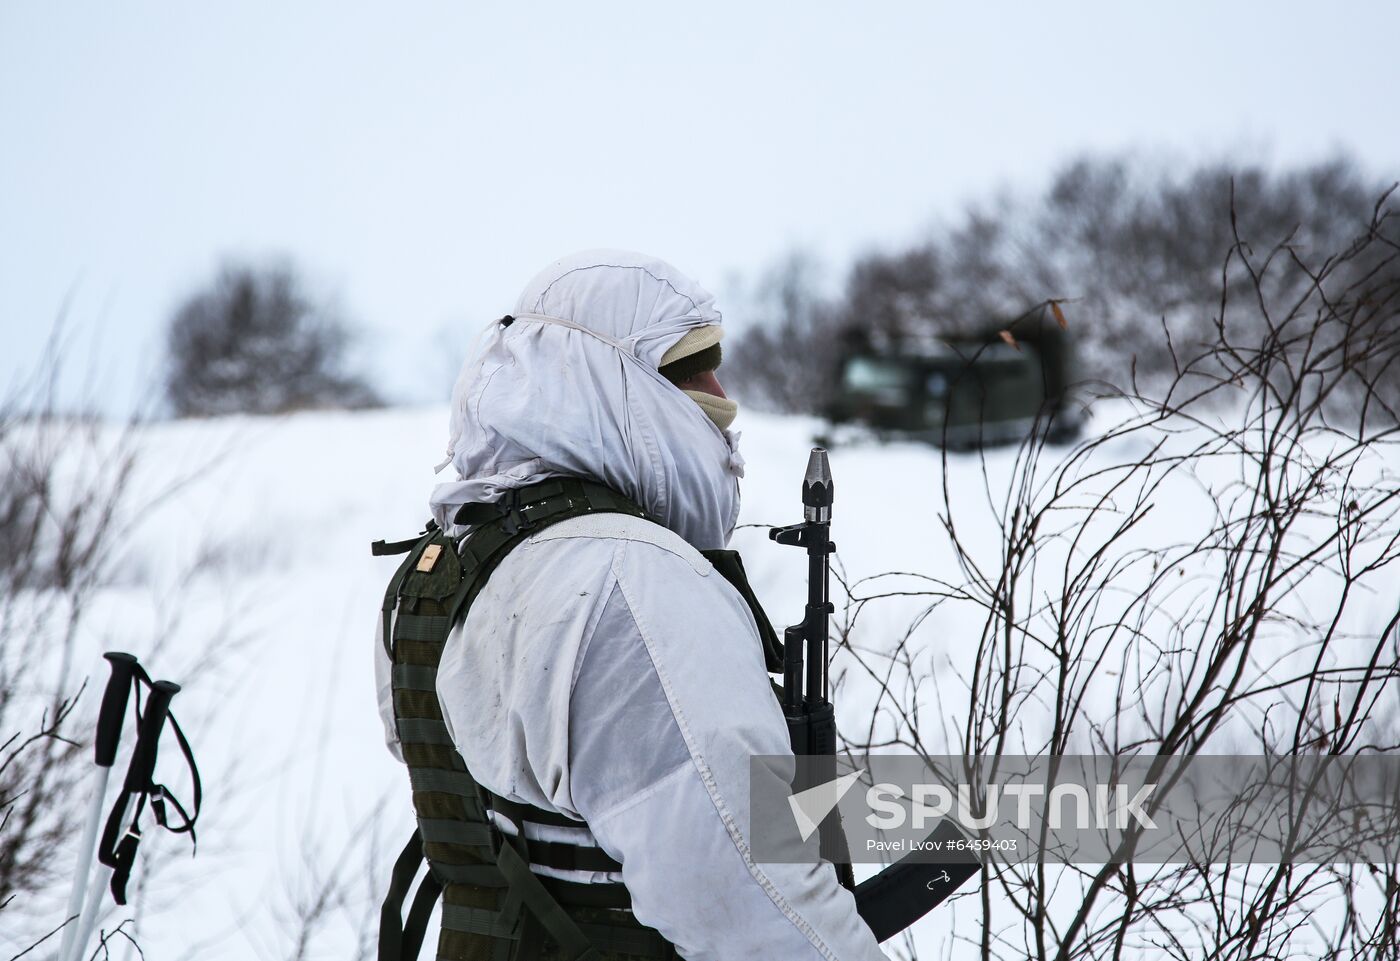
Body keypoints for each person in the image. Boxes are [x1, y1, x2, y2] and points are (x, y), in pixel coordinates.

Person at [375, 250, 886, 960]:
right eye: (686, 369)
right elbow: (751, 900)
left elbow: (541, 801)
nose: (719, 393)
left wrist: (992, 808)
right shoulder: (633, 584)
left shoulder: (436, 571)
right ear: (602, 379)